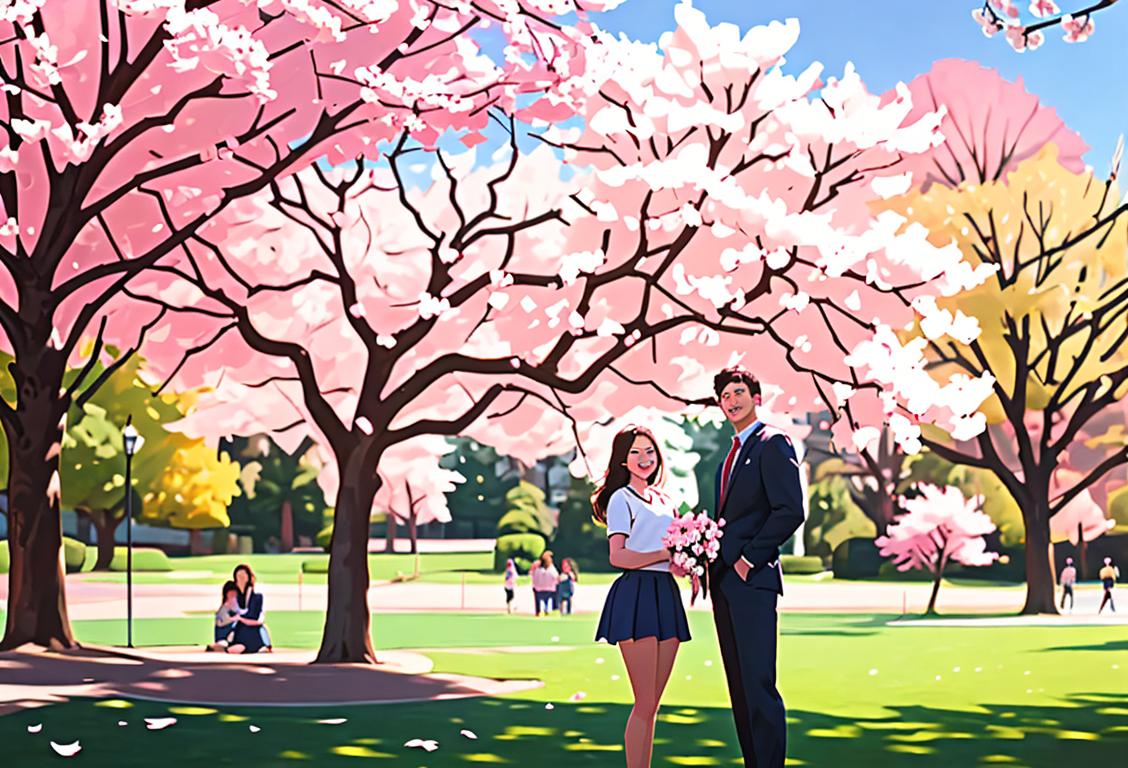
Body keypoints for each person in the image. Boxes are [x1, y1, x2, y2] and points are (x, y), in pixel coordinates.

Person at [709, 367, 805, 768]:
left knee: (759, 684)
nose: (732, 401)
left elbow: (790, 510)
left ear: (756, 396)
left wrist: (750, 559)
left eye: (738, 392)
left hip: (753, 581)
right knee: (739, 687)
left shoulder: (773, 443)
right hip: (725, 585)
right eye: (725, 396)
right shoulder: (727, 457)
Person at [594, 425, 690, 768]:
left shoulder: (666, 500)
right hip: (636, 595)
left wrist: (687, 564)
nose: (644, 458)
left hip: (666, 595)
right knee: (644, 702)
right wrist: (663, 555)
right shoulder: (621, 499)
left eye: (649, 451)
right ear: (623, 459)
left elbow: (674, 555)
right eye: (635, 452)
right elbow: (618, 557)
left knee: (653, 704)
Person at [227, 563, 273, 654]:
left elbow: (256, 617)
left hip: (253, 629)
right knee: (234, 648)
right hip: (241, 630)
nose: (241, 579)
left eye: (243, 576)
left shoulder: (257, 595)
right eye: (239, 577)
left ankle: (261, 646)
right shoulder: (234, 596)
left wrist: (240, 618)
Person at [207, 580, 241, 652]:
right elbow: (223, 622)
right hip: (223, 636)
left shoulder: (237, 607)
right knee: (223, 643)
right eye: (231, 593)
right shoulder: (223, 609)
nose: (234, 596)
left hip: (232, 635)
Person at [532, 550, 559, 616]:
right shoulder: (551, 570)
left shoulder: (538, 570)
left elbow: (534, 580)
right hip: (550, 591)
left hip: (539, 591)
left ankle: (540, 611)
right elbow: (557, 579)